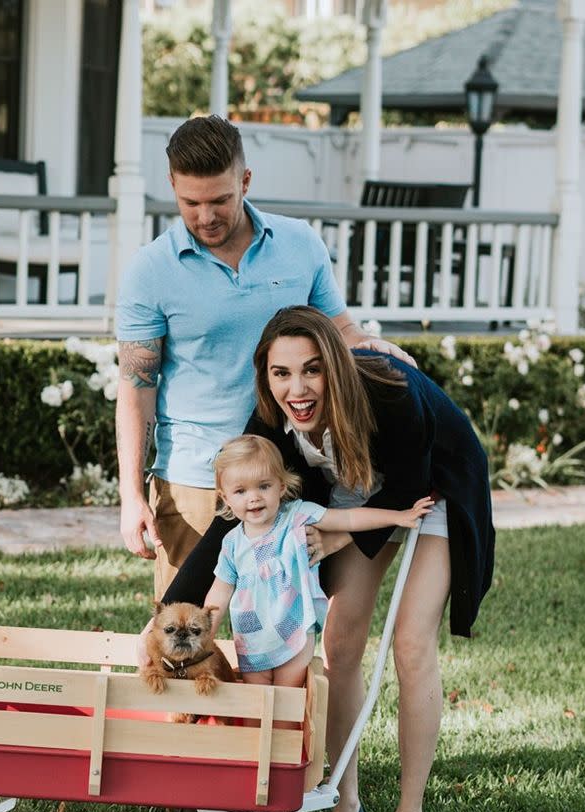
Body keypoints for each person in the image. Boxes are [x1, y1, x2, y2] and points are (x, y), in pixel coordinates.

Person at [163, 306, 495, 812]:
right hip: (356, 496)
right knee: (339, 648)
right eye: (281, 373)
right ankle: (348, 801)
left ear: (335, 366)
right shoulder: (270, 418)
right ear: (265, 376)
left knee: (411, 644)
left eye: (312, 370)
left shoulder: (388, 394)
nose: (297, 388)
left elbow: (410, 490)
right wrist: (171, 610)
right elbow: (231, 520)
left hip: (430, 493)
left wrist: (337, 543)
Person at [115, 114, 415, 602]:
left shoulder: (300, 244)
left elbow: (338, 329)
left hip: (287, 477)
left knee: (283, 642)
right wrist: (131, 494)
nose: (205, 216)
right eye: (190, 202)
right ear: (171, 185)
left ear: (246, 181)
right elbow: (136, 386)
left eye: (220, 200)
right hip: (195, 480)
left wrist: (372, 345)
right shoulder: (150, 272)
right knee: (187, 645)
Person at [206, 435, 434, 705]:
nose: (254, 497)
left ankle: (290, 745)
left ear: (281, 486)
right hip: (252, 641)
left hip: (295, 633)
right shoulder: (232, 544)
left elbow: (347, 517)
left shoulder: (295, 517)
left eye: (263, 486)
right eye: (241, 491)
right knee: (258, 711)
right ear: (225, 498)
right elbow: (218, 596)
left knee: (287, 708)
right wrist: (204, 638)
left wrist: (397, 516)